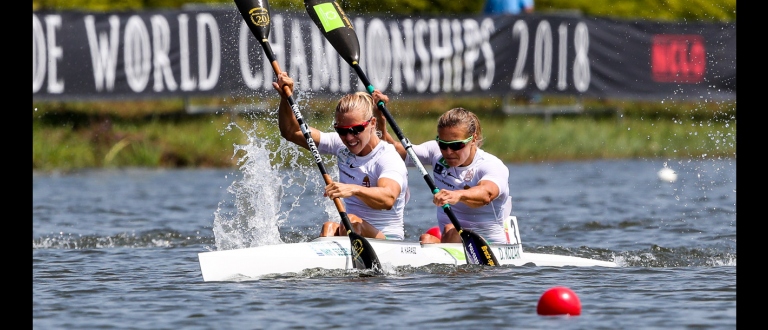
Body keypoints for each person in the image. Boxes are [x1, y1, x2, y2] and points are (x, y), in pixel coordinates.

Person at [272, 72, 409, 240]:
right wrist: (286, 98)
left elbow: (388, 199)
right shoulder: (340, 145)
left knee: (351, 221)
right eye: (342, 131)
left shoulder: (387, 157)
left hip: (389, 241)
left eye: (356, 129)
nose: (349, 138)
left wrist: (353, 189)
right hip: (351, 230)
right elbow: (291, 132)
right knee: (329, 227)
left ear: (372, 123)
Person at [372, 91, 512, 244]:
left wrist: (457, 195)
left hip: (488, 247)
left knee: (451, 232)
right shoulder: (435, 153)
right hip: (450, 237)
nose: (448, 152)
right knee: (427, 239)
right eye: (443, 145)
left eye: (456, 145)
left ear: (474, 139)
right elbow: (391, 151)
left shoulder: (491, 165)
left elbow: (486, 194)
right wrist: (380, 118)